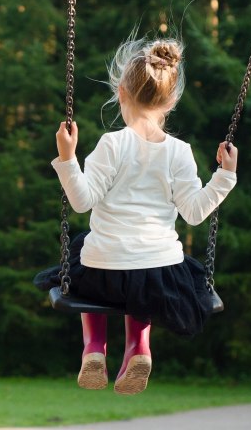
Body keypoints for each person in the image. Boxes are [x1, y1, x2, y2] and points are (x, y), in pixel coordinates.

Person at [38, 34, 238, 395]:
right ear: (171, 100)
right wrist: (224, 176)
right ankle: (139, 348)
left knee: (84, 253)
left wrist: (67, 158)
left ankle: (94, 348)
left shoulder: (111, 144)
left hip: (104, 272)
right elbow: (194, 213)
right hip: (158, 276)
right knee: (143, 275)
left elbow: (81, 201)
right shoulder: (180, 152)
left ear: (121, 93)